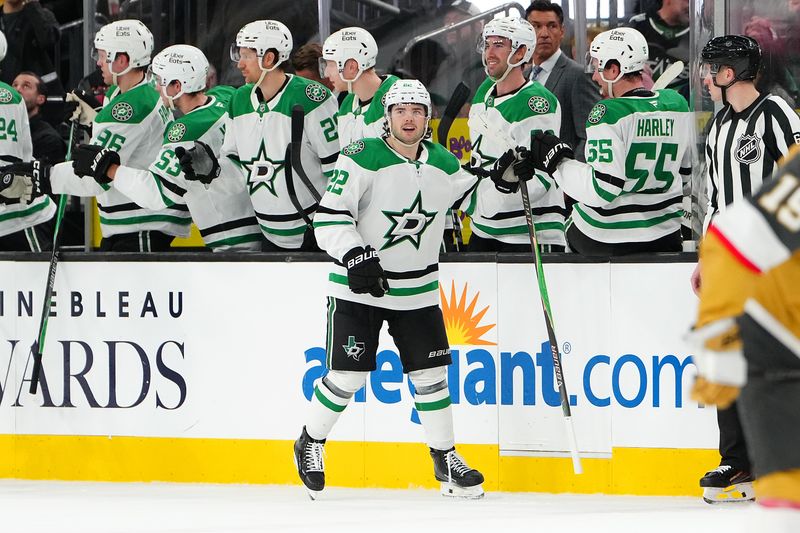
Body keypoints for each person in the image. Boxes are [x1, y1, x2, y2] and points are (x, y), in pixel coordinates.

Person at [294, 79, 528, 499]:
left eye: (417, 111)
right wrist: (354, 255)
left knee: (431, 376)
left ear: (427, 118)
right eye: (400, 110)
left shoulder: (442, 161)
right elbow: (328, 219)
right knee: (348, 375)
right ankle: (310, 441)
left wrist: (504, 180)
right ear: (387, 116)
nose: (408, 117)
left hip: (418, 291)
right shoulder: (361, 156)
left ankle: (446, 460)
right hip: (359, 287)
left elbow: (476, 203)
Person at [690, 34, 800, 504]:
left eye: (711, 67)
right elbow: (716, 199)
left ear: (730, 72)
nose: (704, 76)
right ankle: (737, 461)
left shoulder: (777, 114)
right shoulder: (718, 127)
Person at [3, 20, 189, 251]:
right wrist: (95, 122)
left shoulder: (131, 107)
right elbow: (127, 148)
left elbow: (94, 176)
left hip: (141, 223)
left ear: (122, 61)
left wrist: (41, 176)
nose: (98, 62)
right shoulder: (135, 91)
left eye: (103, 55)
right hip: (136, 222)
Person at [68, 45, 263, 252]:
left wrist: (109, 168)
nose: (156, 87)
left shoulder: (185, 132)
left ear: (178, 86)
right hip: (257, 221)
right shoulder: (225, 96)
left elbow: (155, 191)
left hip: (232, 240)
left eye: (161, 81)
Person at [526, 27, 692, 256]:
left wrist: (559, 164)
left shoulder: (607, 112)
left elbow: (602, 189)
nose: (594, 76)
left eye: (598, 67)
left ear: (614, 69)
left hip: (608, 236)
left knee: (571, 225)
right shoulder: (677, 103)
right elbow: (685, 174)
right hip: (666, 233)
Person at [220, 20, 340, 252]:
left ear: (269, 58)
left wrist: (332, 224)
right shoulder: (239, 99)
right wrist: (210, 170)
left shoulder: (312, 97)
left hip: (315, 235)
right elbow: (233, 161)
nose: (239, 64)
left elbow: (337, 170)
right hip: (268, 235)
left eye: (246, 56)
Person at [466, 16, 565, 252]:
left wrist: (499, 190)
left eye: (499, 45)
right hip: (485, 227)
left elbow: (541, 179)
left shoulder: (536, 103)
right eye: (487, 44)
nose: (490, 53)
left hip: (528, 232)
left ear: (520, 52)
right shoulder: (484, 92)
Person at [0, 30, 54, 251]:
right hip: (22, 209)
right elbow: (24, 153)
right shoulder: (11, 96)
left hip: (18, 214)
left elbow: (17, 160)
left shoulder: (9, 96)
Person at [525, 1, 598, 161]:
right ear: (525, 32)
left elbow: (590, 135)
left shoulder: (577, 75)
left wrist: (570, 176)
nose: (544, 33)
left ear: (562, 31)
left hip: (562, 179)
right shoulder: (524, 75)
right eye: (536, 26)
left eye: (552, 26)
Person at [321, 27, 398, 150]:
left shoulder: (399, 101)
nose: (326, 73)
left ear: (352, 66)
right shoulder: (347, 104)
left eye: (331, 64)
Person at [627, 0, 690, 100]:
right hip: (642, 108)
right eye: (687, 1)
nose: (690, 5)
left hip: (684, 108)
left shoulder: (698, 34)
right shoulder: (635, 27)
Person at [0, 0, 63, 98]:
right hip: (5, 95)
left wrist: (33, 6)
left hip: (39, 96)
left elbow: (48, 40)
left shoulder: (41, 14)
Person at [12, 71, 65, 162]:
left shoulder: (49, 139)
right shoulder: (6, 128)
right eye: (15, 85)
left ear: (40, 99)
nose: (17, 89)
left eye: (26, 86)